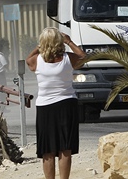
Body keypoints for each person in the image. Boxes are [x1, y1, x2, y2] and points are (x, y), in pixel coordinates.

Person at [25, 27, 87, 179]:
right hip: (67, 104)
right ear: (60, 41)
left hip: (45, 107)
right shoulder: (68, 58)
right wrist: (69, 41)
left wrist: (40, 46)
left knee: (48, 149)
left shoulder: (36, 60)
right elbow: (84, 57)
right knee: (65, 147)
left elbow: (28, 59)